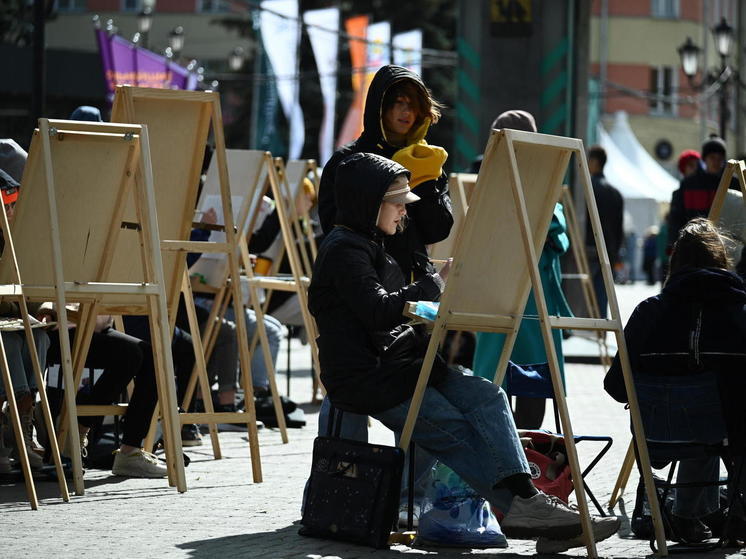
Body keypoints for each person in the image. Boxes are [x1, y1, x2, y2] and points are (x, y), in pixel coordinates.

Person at [309, 152, 619, 553]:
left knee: (487, 395)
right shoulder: (345, 249)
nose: (404, 210)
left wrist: (435, 299)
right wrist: (434, 285)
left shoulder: (370, 242)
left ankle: (532, 504)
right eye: (397, 201)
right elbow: (378, 311)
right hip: (370, 377)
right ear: (369, 202)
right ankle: (525, 511)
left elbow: (391, 312)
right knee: (453, 428)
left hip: (401, 366)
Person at [604, 218, 746, 543]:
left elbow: (614, 385)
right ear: (722, 261)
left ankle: (689, 518)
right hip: (723, 433)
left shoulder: (649, 311)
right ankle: (736, 512)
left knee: (703, 415)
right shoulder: (738, 311)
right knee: (721, 416)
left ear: (675, 263)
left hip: (658, 436)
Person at [471, 110, 572, 429]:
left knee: (527, 382)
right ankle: (514, 458)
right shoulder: (497, 181)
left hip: (528, 300)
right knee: (500, 383)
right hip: (505, 296)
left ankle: (524, 460)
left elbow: (556, 238)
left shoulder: (541, 183)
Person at [0, 169, 50, 470]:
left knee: (39, 335)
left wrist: (44, 307)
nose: (8, 212)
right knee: (6, 339)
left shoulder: (22, 242)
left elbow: (37, 284)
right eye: (3, 206)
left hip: (17, 320)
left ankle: (24, 420)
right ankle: (13, 422)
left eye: (12, 206)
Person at [668, 136, 737, 242]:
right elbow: (677, 217)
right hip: (694, 242)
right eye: (712, 157)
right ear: (705, 159)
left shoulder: (732, 183)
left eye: (719, 158)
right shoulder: (689, 184)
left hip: (725, 242)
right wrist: (673, 243)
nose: (716, 162)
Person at [585, 145, 624, 318]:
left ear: (594, 162)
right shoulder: (615, 192)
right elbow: (619, 227)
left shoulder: (587, 188)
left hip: (587, 247)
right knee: (602, 293)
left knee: (583, 292)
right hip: (609, 249)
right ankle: (599, 325)